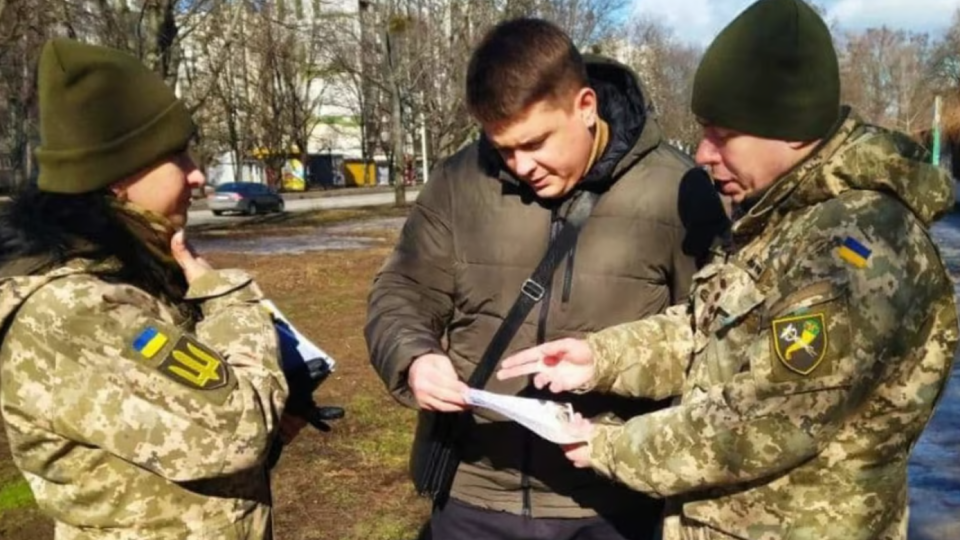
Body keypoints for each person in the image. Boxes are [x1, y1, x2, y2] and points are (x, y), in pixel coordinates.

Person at [496, 1, 959, 539]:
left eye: (722, 133)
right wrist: (600, 358)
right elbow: (707, 331)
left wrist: (607, 447)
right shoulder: (778, 220)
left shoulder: (857, 250)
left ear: (792, 129)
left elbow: (767, 419)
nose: (703, 154)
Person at [365, 17, 728, 540]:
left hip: (613, 502)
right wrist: (414, 356)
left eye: (535, 143)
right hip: (475, 495)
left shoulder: (677, 191)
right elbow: (402, 291)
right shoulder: (459, 181)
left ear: (585, 106)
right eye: (503, 148)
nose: (520, 165)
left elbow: (709, 335)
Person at [0, 39, 290, 539]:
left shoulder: (120, 270)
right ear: (115, 178)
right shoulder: (75, 309)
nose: (198, 173)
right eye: (177, 154)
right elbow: (242, 426)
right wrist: (225, 299)